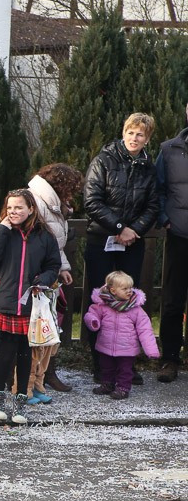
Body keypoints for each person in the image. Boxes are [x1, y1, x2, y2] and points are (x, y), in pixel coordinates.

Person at [82, 113, 159, 382]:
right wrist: (119, 228)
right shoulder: (103, 160)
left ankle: (127, 363)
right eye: (130, 132)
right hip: (101, 240)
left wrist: (134, 230)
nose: (134, 138)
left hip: (132, 244)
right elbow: (92, 201)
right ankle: (101, 365)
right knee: (100, 300)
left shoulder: (149, 168)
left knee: (129, 301)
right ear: (123, 132)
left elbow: (153, 205)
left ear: (147, 139)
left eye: (140, 134)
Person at [0, 189, 60, 425]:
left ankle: (21, 402)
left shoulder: (44, 236)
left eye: (19, 208)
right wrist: (2, 228)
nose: (14, 212)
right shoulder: (0, 230)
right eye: (10, 207)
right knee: (5, 352)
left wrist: (43, 279)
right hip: (5, 300)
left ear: (31, 209)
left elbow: (53, 265)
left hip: (30, 302)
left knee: (26, 353)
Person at [27, 162, 84, 393]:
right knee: (40, 326)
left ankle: (45, 373)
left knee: (51, 324)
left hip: (50, 272)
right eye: (70, 188)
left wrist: (63, 267)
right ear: (60, 185)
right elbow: (41, 241)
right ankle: (34, 377)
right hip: (38, 275)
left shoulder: (54, 204)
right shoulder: (38, 201)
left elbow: (55, 242)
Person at [84, 271, 159, 401]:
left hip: (126, 348)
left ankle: (123, 388)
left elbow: (145, 329)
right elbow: (91, 314)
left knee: (125, 370)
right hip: (106, 345)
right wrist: (93, 321)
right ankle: (107, 384)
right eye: (125, 289)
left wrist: (151, 350)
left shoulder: (136, 309)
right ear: (113, 290)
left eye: (130, 288)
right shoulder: (102, 306)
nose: (129, 291)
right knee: (106, 367)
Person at [155, 103, 188, 384]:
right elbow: (159, 188)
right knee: (173, 301)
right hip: (179, 235)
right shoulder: (168, 149)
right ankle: (169, 359)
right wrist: (165, 217)